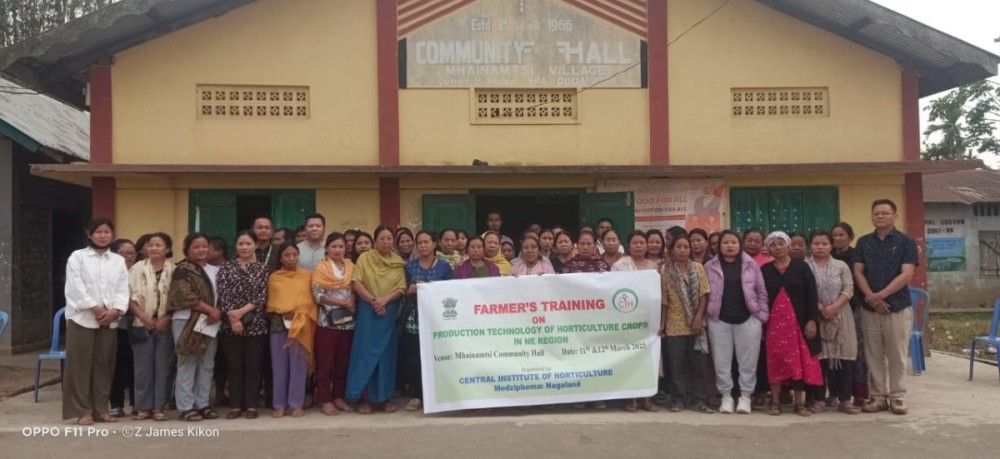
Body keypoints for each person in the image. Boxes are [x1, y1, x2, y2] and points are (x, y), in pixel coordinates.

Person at [63, 217, 130, 425]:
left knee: (104, 365)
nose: (103, 235)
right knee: (80, 366)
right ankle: (82, 410)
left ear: (112, 235)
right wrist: (94, 307)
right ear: (89, 234)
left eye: (107, 232)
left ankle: (101, 409)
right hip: (82, 317)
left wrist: (116, 310)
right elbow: (75, 286)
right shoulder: (78, 257)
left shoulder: (117, 261)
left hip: (109, 319)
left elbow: (122, 288)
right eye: (98, 231)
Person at [854, 199, 917, 416]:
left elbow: (906, 274)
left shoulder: (906, 242)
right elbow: (858, 272)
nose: (880, 217)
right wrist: (871, 297)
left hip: (897, 307)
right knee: (873, 354)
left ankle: (898, 396)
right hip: (870, 307)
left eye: (884, 213)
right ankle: (878, 396)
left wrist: (880, 296)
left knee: (897, 354)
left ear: (894, 216)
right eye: (876, 214)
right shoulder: (863, 242)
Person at [705, 230, 769, 415]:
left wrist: (761, 315)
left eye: (733, 242)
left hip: (748, 319)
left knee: (748, 362)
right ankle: (726, 396)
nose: (730, 246)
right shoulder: (710, 266)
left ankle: (745, 397)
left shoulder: (751, 265)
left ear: (739, 244)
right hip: (719, 320)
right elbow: (705, 293)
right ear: (719, 245)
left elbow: (761, 292)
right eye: (726, 243)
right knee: (721, 361)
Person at [761, 231, 822, 417]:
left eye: (781, 243)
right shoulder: (765, 270)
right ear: (768, 248)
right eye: (773, 244)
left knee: (798, 363)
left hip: (798, 324)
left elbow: (812, 295)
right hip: (773, 326)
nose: (777, 247)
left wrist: (812, 320)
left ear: (788, 245)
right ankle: (776, 402)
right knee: (775, 361)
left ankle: (799, 403)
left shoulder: (801, 267)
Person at [348, 225, 407, 414]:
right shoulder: (365, 258)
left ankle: (384, 398)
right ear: (375, 241)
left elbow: (401, 288)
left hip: (388, 312)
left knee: (386, 356)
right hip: (368, 311)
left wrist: (384, 300)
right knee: (365, 353)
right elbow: (356, 282)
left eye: (390, 238)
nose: (386, 241)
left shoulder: (398, 263)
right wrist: (374, 302)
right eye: (382, 238)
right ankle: (363, 398)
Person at [168, 233, 221, 422]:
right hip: (186, 320)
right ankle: (186, 406)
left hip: (211, 323)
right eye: (196, 247)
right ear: (188, 250)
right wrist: (210, 310)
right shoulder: (182, 270)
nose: (201, 250)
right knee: (187, 362)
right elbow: (184, 295)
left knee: (207, 363)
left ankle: (203, 403)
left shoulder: (215, 270)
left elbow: (221, 296)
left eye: (205, 246)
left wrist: (217, 312)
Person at [217, 230, 269, 420]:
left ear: (255, 245)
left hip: (256, 324)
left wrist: (241, 313)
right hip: (230, 325)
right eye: (241, 244)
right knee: (234, 366)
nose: (245, 247)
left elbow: (261, 296)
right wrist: (234, 319)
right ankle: (236, 405)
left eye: (248, 244)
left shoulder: (261, 269)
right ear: (236, 246)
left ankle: (252, 405)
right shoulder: (226, 268)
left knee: (253, 366)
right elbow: (222, 295)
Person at [806, 230, 859, 414]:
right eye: (816, 243)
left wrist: (835, 306)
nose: (820, 247)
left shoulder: (841, 265)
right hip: (816, 316)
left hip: (842, 315)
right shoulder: (805, 266)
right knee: (819, 360)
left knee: (843, 359)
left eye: (824, 244)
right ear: (810, 245)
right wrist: (821, 308)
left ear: (830, 246)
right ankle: (819, 399)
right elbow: (803, 291)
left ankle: (844, 400)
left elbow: (849, 288)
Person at [400, 231, 454, 411]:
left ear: (434, 244)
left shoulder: (445, 267)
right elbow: (403, 291)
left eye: (426, 242)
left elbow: (451, 291)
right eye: (420, 243)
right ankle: (417, 395)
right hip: (414, 318)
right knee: (416, 358)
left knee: (437, 356)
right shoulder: (409, 267)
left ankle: (438, 393)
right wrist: (411, 290)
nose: (423, 246)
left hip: (438, 318)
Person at [127, 232, 176, 422]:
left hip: (166, 324)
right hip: (141, 323)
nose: (154, 248)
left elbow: (178, 298)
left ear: (168, 249)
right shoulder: (136, 269)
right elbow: (129, 296)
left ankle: (159, 407)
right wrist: (144, 318)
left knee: (163, 368)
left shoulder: (174, 269)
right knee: (142, 368)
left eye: (159, 245)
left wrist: (166, 318)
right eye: (151, 245)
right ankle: (143, 407)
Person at [661, 234, 712, 413]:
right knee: (676, 365)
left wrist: (698, 317)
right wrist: (662, 326)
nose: (683, 250)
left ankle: (699, 400)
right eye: (679, 247)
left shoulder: (698, 268)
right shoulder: (665, 271)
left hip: (696, 325)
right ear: (672, 250)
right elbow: (664, 300)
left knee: (698, 365)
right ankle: (678, 399)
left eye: (686, 247)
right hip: (674, 324)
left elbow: (704, 294)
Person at [266, 243, 317, 418]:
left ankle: (296, 403)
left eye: (295, 254)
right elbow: (273, 302)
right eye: (287, 255)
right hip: (279, 324)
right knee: (279, 366)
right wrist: (284, 310)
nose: (291, 258)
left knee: (299, 366)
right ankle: (279, 404)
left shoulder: (307, 276)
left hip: (301, 325)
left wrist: (296, 311)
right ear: (280, 258)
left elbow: (309, 301)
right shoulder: (274, 277)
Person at [612, 231, 659, 412]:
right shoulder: (619, 266)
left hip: (648, 319)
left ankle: (647, 398)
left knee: (649, 359)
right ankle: (630, 399)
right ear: (628, 246)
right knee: (629, 359)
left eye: (642, 242)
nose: (639, 246)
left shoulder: (654, 267)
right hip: (626, 318)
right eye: (635, 243)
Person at [312, 233, 356, 416]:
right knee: (325, 362)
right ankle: (324, 399)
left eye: (341, 246)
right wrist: (340, 302)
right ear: (327, 249)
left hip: (348, 323)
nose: (338, 250)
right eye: (334, 247)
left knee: (342, 362)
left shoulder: (351, 267)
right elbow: (318, 295)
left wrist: (352, 298)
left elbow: (357, 287)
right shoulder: (321, 268)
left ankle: (338, 396)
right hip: (327, 322)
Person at [832, 221, 869, 405]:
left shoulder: (857, 256)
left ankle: (860, 392)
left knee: (857, 351)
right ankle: (836, 393)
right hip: (830, 312)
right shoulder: (826, 257)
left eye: (842, 235)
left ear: (850, 237)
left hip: (855, 308)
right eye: (835, 235)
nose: (838, 239)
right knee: (833, 352)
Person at [109, 238, 137, 418]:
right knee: (117, 365)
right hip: (117, 326)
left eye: (131, 253)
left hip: (138, 325)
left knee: (137, 366)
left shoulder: (140, 271)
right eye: (123, 253)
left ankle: (137, 403)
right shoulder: (110, 274)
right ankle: (116, 404)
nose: (128, 256)